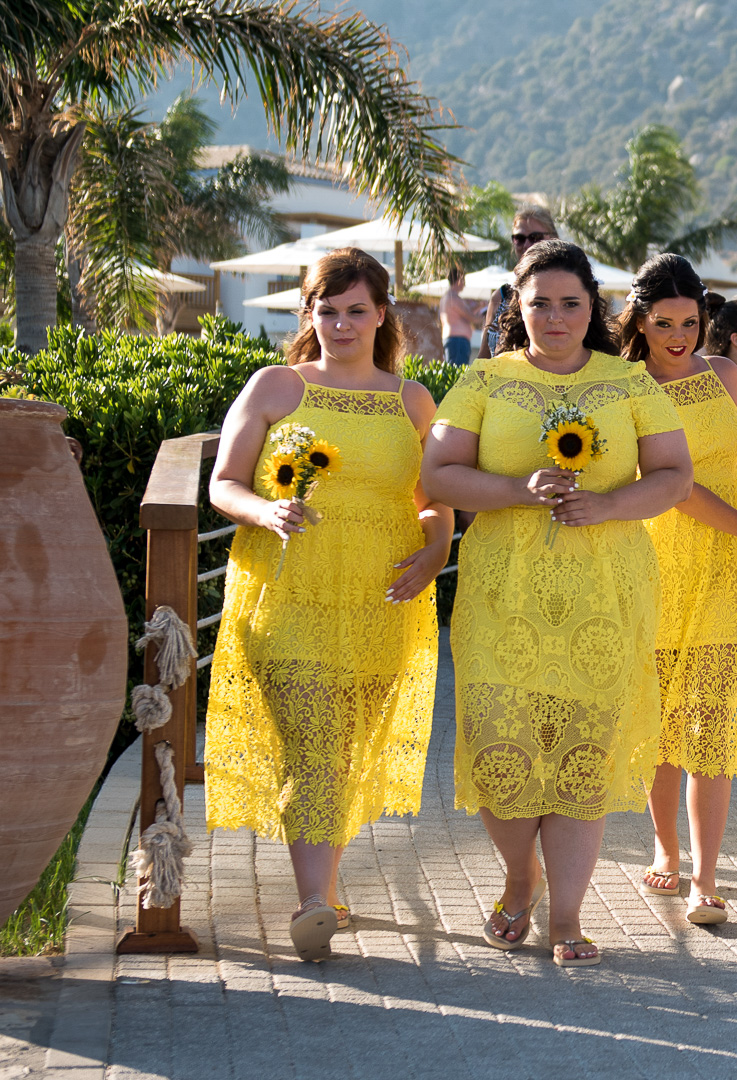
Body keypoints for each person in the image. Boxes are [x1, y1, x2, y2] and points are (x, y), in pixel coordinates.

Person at [422, 240, 693, 966]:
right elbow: (439, 473)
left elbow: (673, 474)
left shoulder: (629, 382)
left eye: (570, 302)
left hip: (604, 593)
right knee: (502, 753)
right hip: (501, 593)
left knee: (581, 759)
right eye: (539, 302)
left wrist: (607, 504)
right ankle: (522, 877)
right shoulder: (483, 379)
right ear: (516, 306)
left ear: (592, 308)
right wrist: (515, 491)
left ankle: (567, 917)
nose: (555, 316)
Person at [205, 247, 450, 963]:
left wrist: (436, 549)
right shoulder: (276, 386)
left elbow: (432, 502)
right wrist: (265, 511)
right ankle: (314, 903)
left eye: (355, 310)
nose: (341, 324)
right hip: (286, 591)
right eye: (327, 310)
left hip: (381, 596)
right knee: (311, 743)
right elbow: (223, 482)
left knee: (341, 749)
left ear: (382, 315)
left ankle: (328, 889)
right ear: (309, 314)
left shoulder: (412, 401)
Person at [625, 254, 737, 926]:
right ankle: (664, 851)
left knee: (713, 720)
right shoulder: (627, 387)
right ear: (639, 321)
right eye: (663, 322)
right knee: (661, 719)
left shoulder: (726, 374)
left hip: (726, 565)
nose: (677, 335)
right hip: (656, 557)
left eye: (689, 322)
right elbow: (674, 486)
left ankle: (705, 875)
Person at [477, 203, 559, 359]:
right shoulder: (501, 296)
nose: (527, 245)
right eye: (519, 238)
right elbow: (484, 356)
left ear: (553, 238)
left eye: (535, 238)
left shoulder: (570, 293)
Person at [439, 265, 476, 366]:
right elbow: (471, 317)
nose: (464, 284)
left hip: (453, 339)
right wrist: (488, 316)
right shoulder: (453, 298)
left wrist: (478, 307)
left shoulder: (446, 297)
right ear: (459, 279)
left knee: (452, 371)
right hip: (458, 341)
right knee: (458, 375)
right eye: (463, 280)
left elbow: (463, 314)